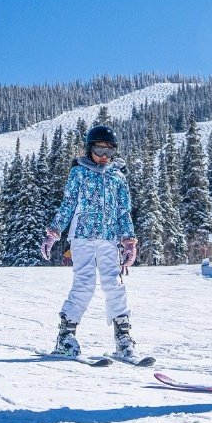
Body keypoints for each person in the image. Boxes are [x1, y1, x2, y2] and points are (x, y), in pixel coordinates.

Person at [42, 126, 140, 359]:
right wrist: (53, 232)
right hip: (82, 237)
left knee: (114, 284)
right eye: (98, 150)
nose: (104, 156)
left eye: (109, 151)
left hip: (109, 239)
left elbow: (123, 211)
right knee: (84, 284)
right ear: (89, 148)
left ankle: (123, 338)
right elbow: (67, 204)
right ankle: (66, 336)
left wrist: (129, 241)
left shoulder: (118, 177)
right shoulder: (79, 173)